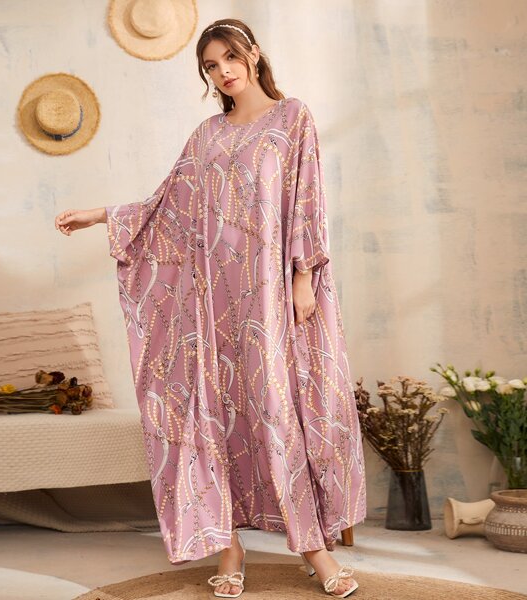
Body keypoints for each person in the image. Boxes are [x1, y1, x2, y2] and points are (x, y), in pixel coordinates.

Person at [55, 18, 366, 599]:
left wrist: (304, 277)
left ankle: (313, 548)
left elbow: (308, 200)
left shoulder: (292, 118)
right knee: (217, 416)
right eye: (210, 66)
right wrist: (101, 215)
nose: (223, 71)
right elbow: (168, 205)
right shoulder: (207, 135)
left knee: (277, 411)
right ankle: (229, 547)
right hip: (211, 303)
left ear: (253, 54)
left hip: (271, 294)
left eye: (229, 58)